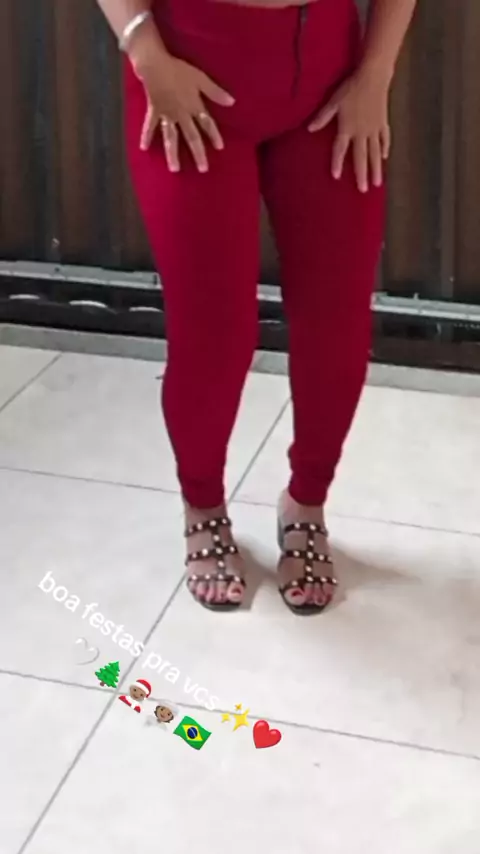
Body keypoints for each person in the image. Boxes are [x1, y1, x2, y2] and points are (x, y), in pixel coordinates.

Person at [96, 0, 417, 615]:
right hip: (186, 72)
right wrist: (145, 51)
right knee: (213, 334)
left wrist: (375, 75)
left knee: (338, 325)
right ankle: (203, 504)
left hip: (330, 77)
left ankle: (307, 502)